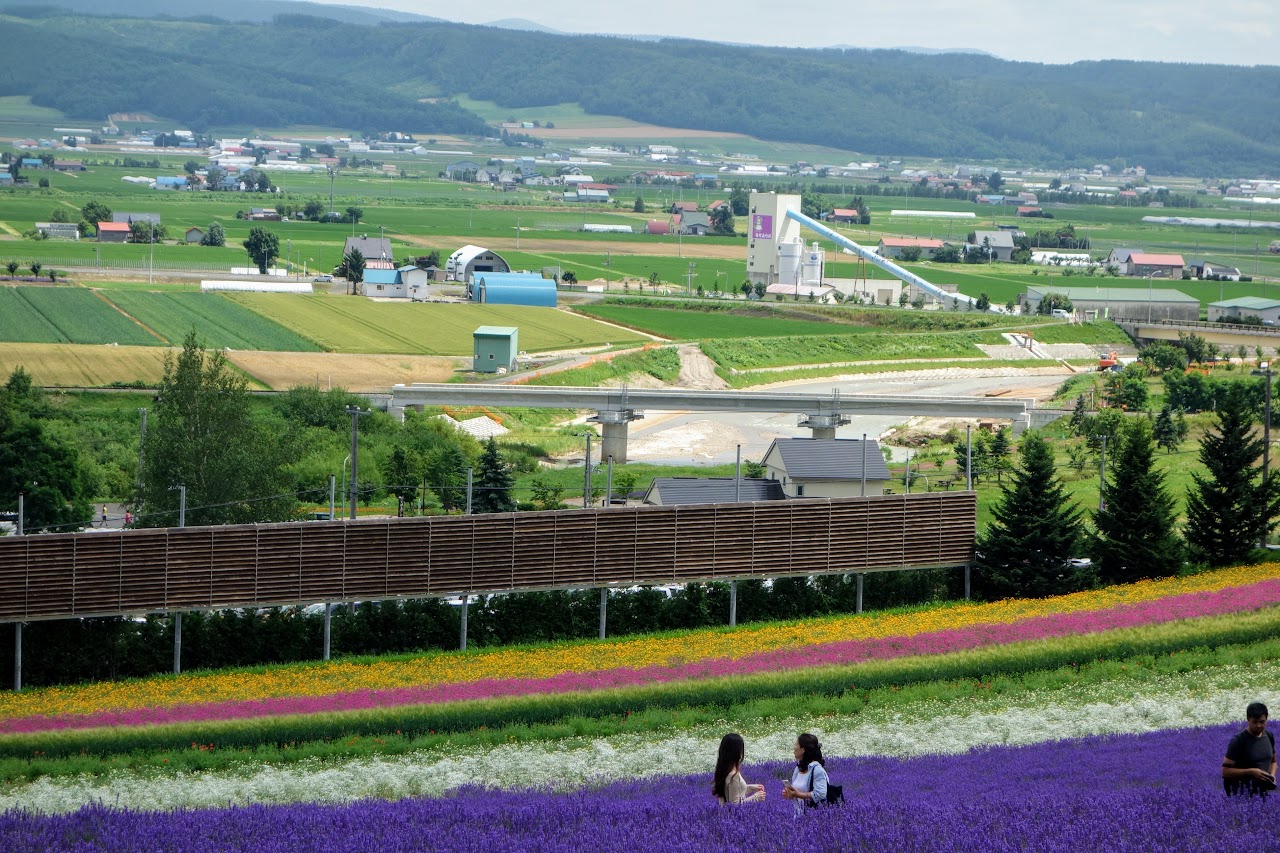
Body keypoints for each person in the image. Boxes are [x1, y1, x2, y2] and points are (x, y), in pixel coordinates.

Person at [1223, 701, 1277, 796]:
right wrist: (1251, 772)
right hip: (1242, 794)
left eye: (1262, 722)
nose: (1259, 725)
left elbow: (1273, 761)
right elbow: (1225, 771)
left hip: (1264, 792)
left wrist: (1272, 775)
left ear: (1266, 719)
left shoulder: (1269, 735)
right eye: (1255, 722)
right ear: (1248, 719)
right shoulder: (1238, 740)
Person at [712, 733, 765, 805]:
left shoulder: (724, 771)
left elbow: (733, 793)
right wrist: (755, 797)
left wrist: (750, 788)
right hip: (733, 816)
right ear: (737, 752)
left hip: (723, 814)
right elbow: (734, 805)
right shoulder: (734, 776)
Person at [782, 732, 827, 815]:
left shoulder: (817, 770)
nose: (794, 748)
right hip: (798, 816)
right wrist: (790, 794)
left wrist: (798, 794)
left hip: (814, 818)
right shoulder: (798, 769)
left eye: (796, 745)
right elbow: (796, 792)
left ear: (803, 749)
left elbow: (821, 794)